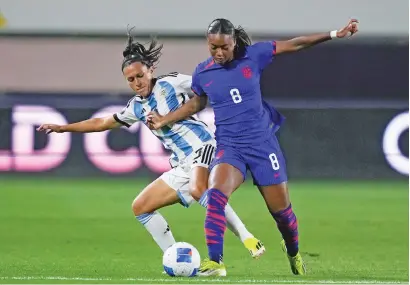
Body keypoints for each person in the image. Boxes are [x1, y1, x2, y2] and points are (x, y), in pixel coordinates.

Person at [147, 18, 359, 276]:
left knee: (282, 214)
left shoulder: (254, 55)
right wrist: (164, 120)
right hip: (230, 147)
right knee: (215, 196)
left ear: (234, 41)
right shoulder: (203, 73)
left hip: (262, 146)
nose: (219, 52)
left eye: (224, 46)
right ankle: (215, 262)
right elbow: (196, 103)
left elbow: (295, 44)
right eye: (214, 47)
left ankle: (293, 252)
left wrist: (335, 34)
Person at [36, 30, 266, 265]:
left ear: (150, 70)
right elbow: (102, 122)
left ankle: (247, 237)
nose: (137, 83)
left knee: (199, 190)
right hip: (181, 163)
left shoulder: (172, 82)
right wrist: (64, 128)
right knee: (141, 207)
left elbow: (204, 90)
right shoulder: (135, 108)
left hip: (202, 145)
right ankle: (177, 259)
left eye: (140, 76)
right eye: (131, 80)